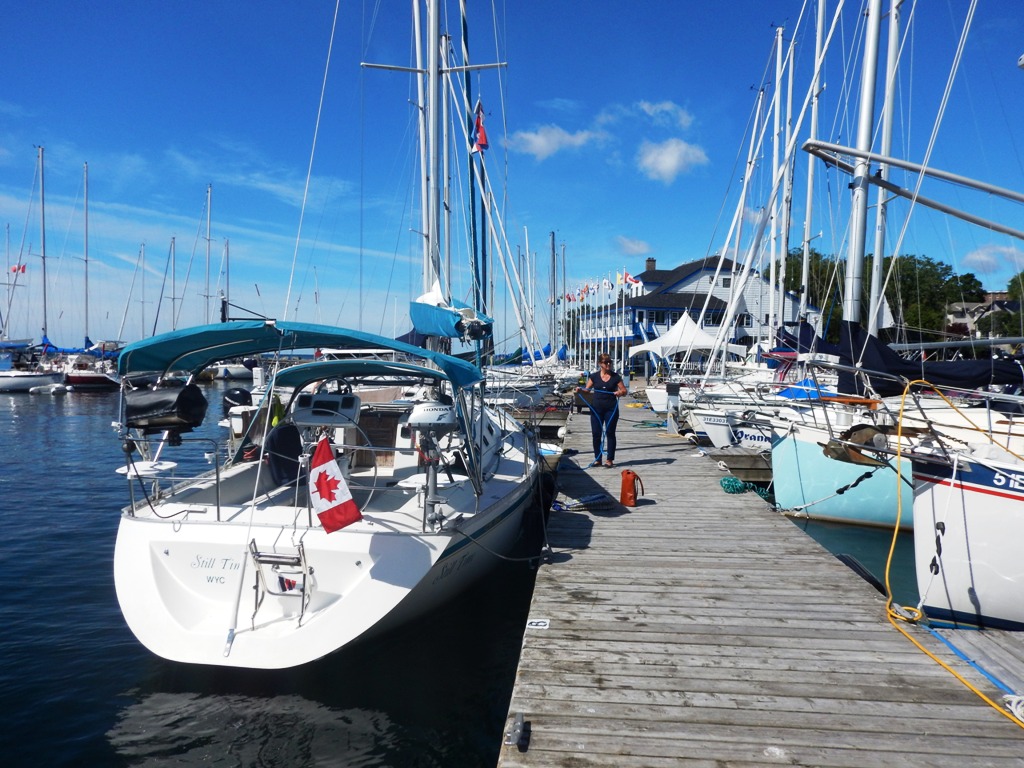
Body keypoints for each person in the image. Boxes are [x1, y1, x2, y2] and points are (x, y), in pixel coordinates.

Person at [577, 353, 627, 467]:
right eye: (606, 362)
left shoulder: (615, 377)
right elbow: (587, 390)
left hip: (611, 409)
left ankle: (609, 459)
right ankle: (598, 458)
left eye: (610, 362)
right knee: (596, 434)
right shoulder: (594, 377)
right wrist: (580, 390)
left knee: (610, 433)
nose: (609, 364)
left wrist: (620, 392)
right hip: (596, 409)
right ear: (600, 364)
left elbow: (624, 391)